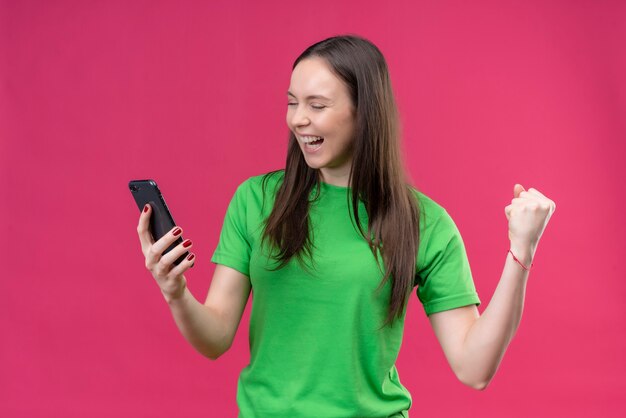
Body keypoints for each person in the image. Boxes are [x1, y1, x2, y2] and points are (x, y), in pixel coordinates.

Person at [136, 34, 556, 417]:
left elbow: (474, 368)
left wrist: (522, 253)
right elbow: (215, 338)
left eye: (317, 105)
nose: (298, 119)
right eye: (292, 102)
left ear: (365, 112)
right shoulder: (256, 200)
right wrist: (175, 292)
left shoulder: (424, 223)